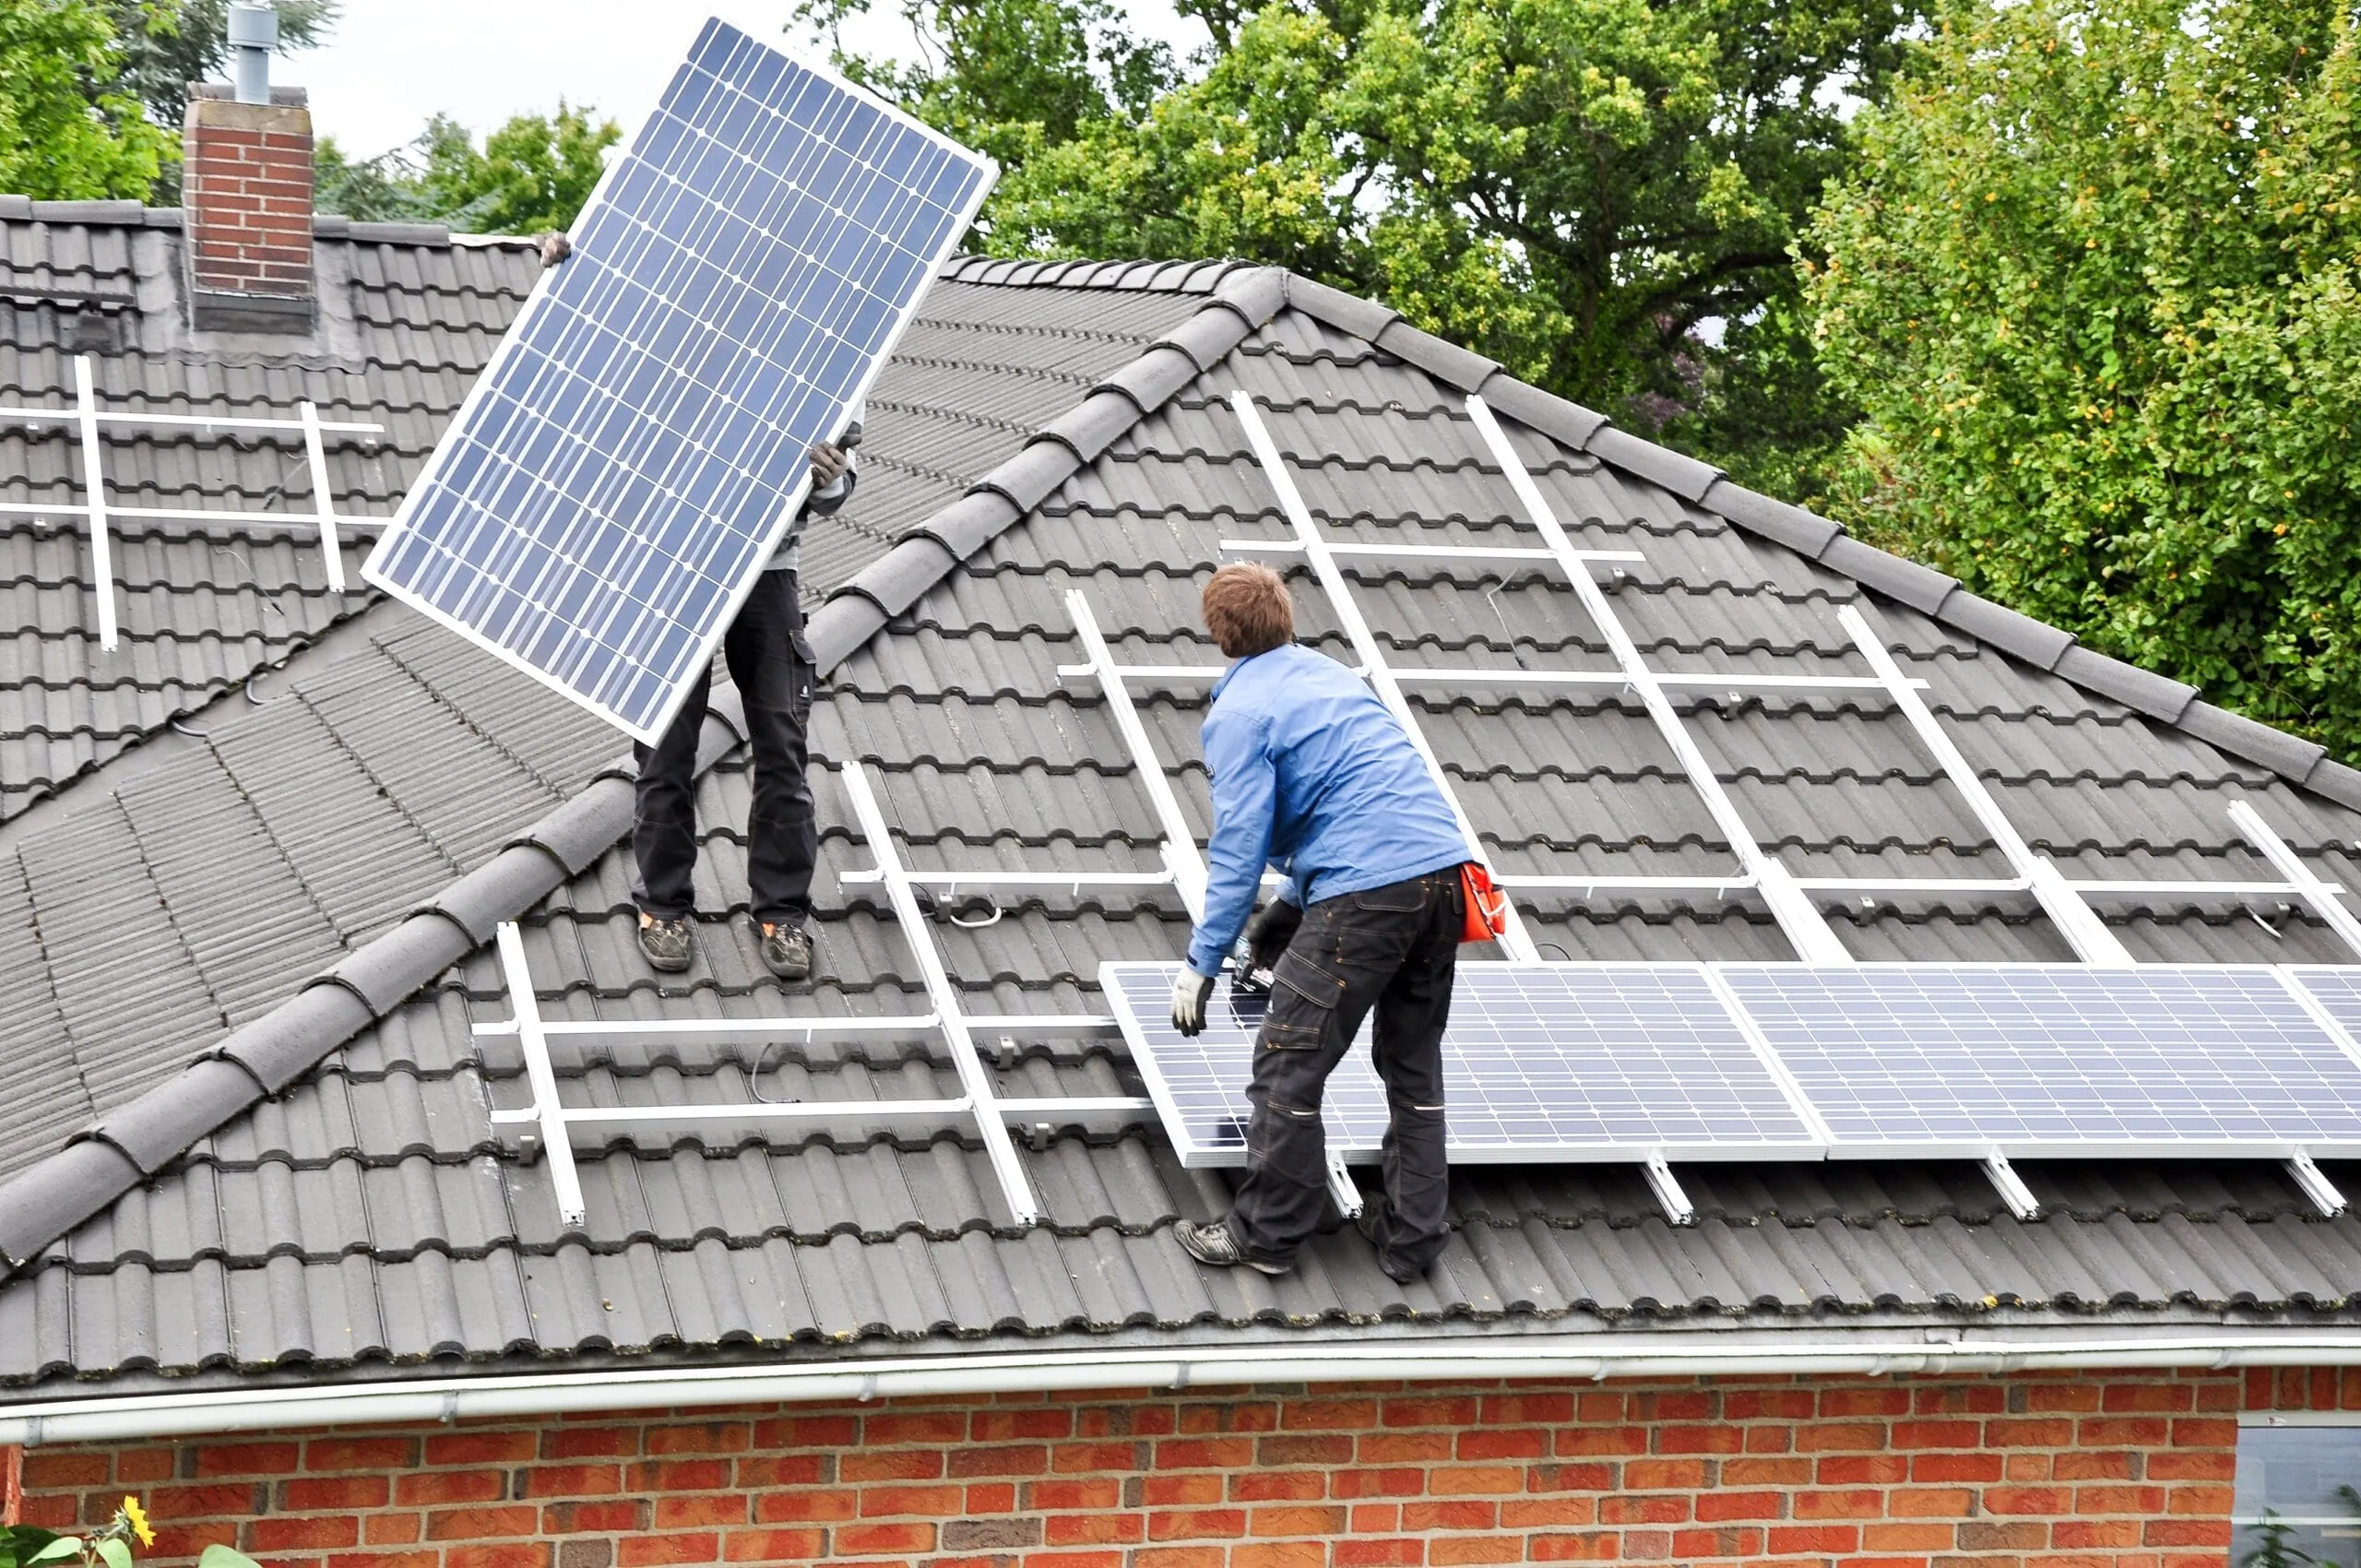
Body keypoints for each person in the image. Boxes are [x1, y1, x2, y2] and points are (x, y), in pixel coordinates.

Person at [1169, 563, 1473, 1283]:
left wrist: (1202, 962)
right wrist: (1293, 905)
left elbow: (1240, 846)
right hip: (1446, 881)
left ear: (1219, 634)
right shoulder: (1333, 678)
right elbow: (1363, 808)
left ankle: (1268, 1236)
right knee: (1412, 1065)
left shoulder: (1240, 714)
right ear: (1288, 618)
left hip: (1368, 897)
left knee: (1287, 1063)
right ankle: (1410, 1237)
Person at [630, 414, 860, 980]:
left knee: (783, 743)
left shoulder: (829, 343)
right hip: (671, 562)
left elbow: (839, 480)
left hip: (768, 569)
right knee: (666, 743)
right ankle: (663, 906)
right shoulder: (656, 334)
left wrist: (829, 479)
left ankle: (781, 913)